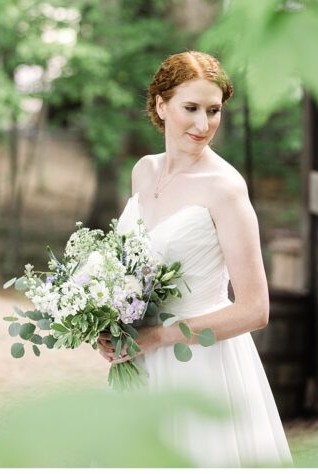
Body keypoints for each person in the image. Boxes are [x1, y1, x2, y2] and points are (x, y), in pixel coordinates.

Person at [100, 51, 291, 466]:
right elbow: (128, 269)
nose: (204, 125)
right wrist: (108, 323)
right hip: (139, 363)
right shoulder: (143, 172)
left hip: (203, 365)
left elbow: (256, 310)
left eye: (214, 110)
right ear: (160, 104)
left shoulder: (225, 188)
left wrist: (161, 336)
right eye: (191, 108)